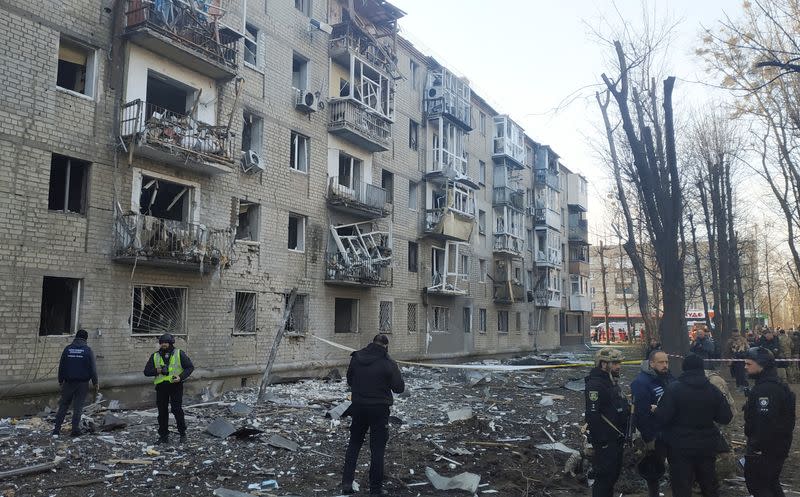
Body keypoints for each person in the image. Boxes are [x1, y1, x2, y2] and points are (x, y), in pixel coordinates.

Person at [654, 353, 732, 497]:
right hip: (707, 447)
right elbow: (726, 417)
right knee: (709, 486)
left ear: (684, 369)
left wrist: (657, 411)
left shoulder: (674, 389)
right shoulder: (712, 390)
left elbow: (662, 418)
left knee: (682, 487)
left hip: (679, 447)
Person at [341, 334, 405, 496]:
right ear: (386, 346)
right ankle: (375, 490)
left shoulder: (357, 357)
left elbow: (349, 380)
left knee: (354, 444)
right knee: (377, 449)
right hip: (379, 410)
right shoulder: (388, 363)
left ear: (372, 343)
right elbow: (399, 388)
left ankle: (347, 483)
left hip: (359, 407)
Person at [743, 347, 796, 497]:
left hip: (766, 449)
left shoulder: (767, 390)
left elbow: (765, 423)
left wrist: (756, 447)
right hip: (776, 446)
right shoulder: (772, 385)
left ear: (762, 365)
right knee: (771, 483)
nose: (745, 367)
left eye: (749, 364)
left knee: (759, 485)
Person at [585, 348, 629, 497]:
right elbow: (592, 415)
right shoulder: (596, 385)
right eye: (615, 363)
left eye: (619, 363)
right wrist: (601, 441)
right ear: (603, 364)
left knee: (612, 477)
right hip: (606, 442)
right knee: (604, 479)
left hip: (616, 439)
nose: (618, 366)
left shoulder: (610, 382)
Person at [630, 350, 674, 497]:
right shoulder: (641, 383)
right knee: (654, 469)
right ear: (651, 363)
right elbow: (641, 414)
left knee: (677, 467)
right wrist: (649, 438)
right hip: (656, 435)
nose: (665, 365)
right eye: (661, 362)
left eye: (666, 362)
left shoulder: (669, 378)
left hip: (672, 432)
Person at [143, 333, 194, 444]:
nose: (164, 345)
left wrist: (180, 377)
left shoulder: (179, 353)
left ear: (171, 343)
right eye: (162, 343)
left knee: (176, 410)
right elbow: (146, 372)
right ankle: (163, 436)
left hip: (175, 386)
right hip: (161, 387)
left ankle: (182, 434)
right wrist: (158, 370)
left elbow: (190, 367)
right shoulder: (155, 356)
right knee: (162, 412)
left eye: (166, 343)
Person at [52, 329, 98, 437]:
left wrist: (60, 380)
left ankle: (56, 430)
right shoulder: (88, 351)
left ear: (76, 337)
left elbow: (61, 366)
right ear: (85, 339)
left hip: (68, 383)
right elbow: (93, 369)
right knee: (78, 407)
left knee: (63, 406)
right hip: (82, 384)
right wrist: (95, 382)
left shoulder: (67, 349)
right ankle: (75, 430)